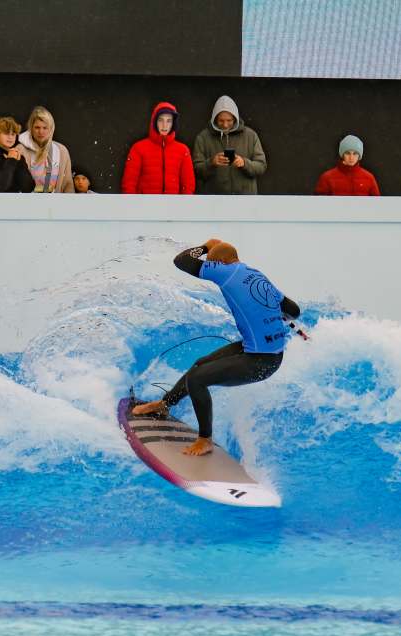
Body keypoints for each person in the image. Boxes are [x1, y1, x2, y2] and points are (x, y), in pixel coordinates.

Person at [132, 238, 301, 456]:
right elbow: (293, 310)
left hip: (261, 362)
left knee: (197, 379)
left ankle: (204, 440)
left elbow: (181, 260)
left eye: (211, 263)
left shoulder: (225, 271)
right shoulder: (255, 273)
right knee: (199, 365)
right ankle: (165, 405)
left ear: (220, 263)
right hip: (263, 352)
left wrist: (205, 247)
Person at [192, 95, 267, 195]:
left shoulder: (251, 136)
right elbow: (196, 170)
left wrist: (244, 163)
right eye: (221, 121)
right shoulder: (203, 138)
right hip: (214, 202)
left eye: (229, 120)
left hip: (245, 200)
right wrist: (211, 163)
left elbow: (261, 166)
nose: (225, 125)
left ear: (235, 118)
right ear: (214, 119)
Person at [121, 101, 195, 195]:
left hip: (172, 207)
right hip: (144, 206)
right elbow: (129, 183)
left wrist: (183, 206)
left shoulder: (183, 150)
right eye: (161, 120)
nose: (164, 125)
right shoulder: (138, 148)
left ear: (173, 123)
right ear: (154, 121)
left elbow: (188, 185)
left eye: (169, 121)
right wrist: (133, 207)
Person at [17, 106, 74, 193]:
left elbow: (68, 183)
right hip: (28, 203)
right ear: (31, 128)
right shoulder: (21, 150)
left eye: (45, 128)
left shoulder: (61, 150)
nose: (41, 132)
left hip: (55, 204)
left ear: (51, 129)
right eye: (37, 127)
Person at [0, 115, 34, 192]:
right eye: (6, 133)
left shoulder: (18, 157)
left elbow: (28, 188)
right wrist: (10, 161)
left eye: (13, 134)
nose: (10, 137)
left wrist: (18, 164)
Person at [314, 135, 380, 196]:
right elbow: (317, 204)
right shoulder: (327, 178)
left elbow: (378, 205)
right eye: (348, 153)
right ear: (342, 154)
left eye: (355, 153)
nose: (351, 157)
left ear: (359, 156)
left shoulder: (369, 178)